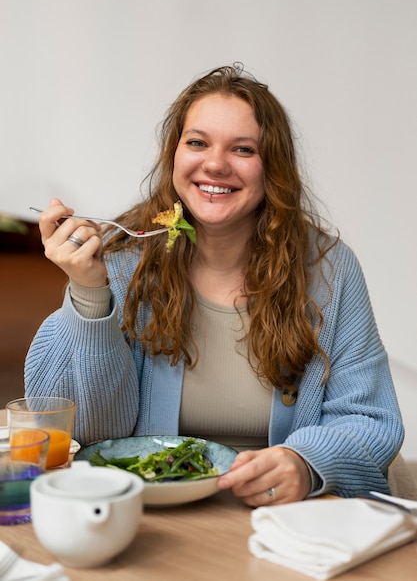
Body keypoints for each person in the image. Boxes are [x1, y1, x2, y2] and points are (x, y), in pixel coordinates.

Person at [25, 64, 404, 507]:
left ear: (273, 169)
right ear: (174, 156)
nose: (215, 164)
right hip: (154, 518)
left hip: (280, 516)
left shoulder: (328, 270)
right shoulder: (124, 261)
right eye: (197, 142)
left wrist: (306, 463)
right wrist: (90, 294)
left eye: (243, 149)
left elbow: (371, 420)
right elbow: (86, 431)